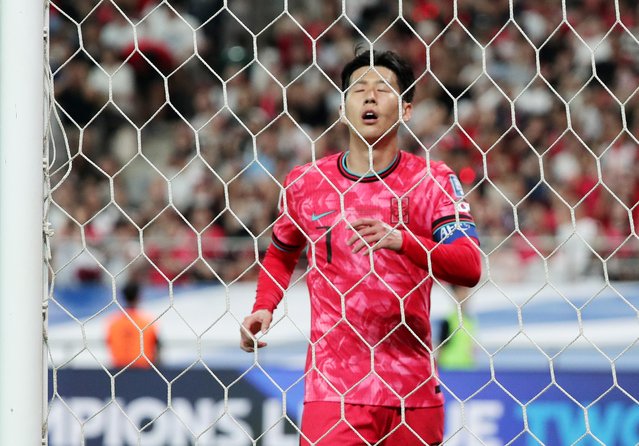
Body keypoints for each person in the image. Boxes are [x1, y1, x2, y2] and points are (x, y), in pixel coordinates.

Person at [240, 49, 482, 445]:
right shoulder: (306, 183)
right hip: (334, 389)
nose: (370, 97)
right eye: (359, 90)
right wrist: (263, 306)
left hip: (413, 389)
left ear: (405, 110)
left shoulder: (432, 181)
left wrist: (403, 240)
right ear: (341, 108)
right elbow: (283, 251)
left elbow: (469, 265)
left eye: (383, 89)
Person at [106, 282, 159, 369]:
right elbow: (156, 346)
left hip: (119, 369)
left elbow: (108, 342)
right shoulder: (146, 322)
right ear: (139, 297)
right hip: (143, 369)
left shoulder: (113, 322)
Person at [437, 285, 477, 370]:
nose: (465, 296)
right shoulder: (448, 321)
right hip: (449, 367)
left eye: (466, 292)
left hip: (466, 367)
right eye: (461, 292)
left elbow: (471, 348)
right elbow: (441, 347)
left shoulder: (470, 321)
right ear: (455, 295)